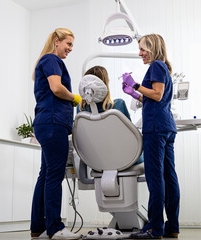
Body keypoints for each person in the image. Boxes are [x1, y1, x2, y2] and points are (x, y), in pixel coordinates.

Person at [122, 34, 180, 239]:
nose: (140, 54)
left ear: (153, 48)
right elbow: (155, 97)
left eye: (143, 49)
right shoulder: (163, 67)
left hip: (155, 128)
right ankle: (171, 226)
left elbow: (156, 94)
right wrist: (134, 93)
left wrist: (136, 84)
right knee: (168, 177)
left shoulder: (156, 66)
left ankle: (155, 229)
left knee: (156, 179)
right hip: (166, 126)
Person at [30, 28, 82, 240]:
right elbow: (57, 88)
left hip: (46, 122)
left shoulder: (45, 61)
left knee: (45, 174)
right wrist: (75, 98)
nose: (70, 49)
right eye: (68, 44)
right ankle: (55, 228)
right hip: (53, 123)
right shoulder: (51, 59)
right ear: (56, 41)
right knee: (54, 175)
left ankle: (39, 227)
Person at [77, 66, 143, 164]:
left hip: (97, 162)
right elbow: (132, 137)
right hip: (126, 159)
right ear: (104, 84)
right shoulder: (118, 104)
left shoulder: (81, 109)